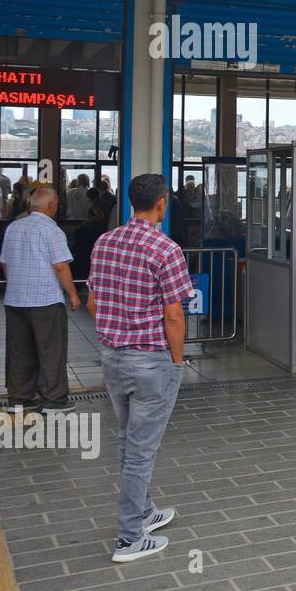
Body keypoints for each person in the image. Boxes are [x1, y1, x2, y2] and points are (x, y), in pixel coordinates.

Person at [86, 175, 192, 564]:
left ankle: (145, 510)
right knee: (141, 451)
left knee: (130, 441)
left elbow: (93, 301)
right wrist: (177, 362)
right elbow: (174, 315)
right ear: (162, 203)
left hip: (113, 357)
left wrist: (115, 334)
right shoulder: (166, 249)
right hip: (150, 360)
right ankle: (129, 537)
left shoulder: (105, 242)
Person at [0, 187, 80, 413]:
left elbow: (5, 264)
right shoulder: (51, 230)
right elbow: (61, 266)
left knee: (19, 350)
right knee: (51, 350)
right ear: (52, 206)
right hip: (45, 299)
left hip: (15, 300)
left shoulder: (13, 227)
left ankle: (19, 398)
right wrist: (73, 295)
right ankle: (54, 399)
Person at [71, 203, 110, 281]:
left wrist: (85, 223)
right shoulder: (103, 203)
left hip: (94, 232)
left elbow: (100, 216)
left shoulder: (96, 203)